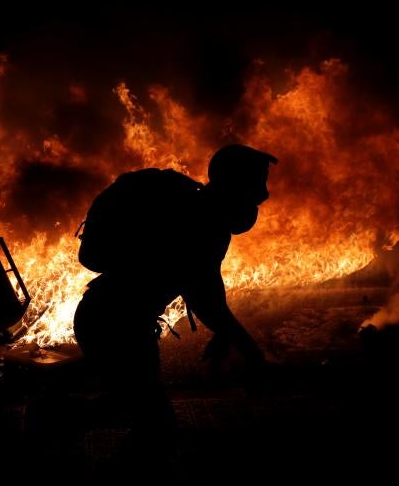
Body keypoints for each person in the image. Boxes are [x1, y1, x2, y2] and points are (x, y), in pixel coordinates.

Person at [73, 143, 277, 457]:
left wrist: (226, 334)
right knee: (152, 419)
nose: (263, 194)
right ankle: (52, 419)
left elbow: (208, 289)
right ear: (234, 184)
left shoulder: (201, 215)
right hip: (113, 324)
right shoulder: (199, 221)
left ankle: (55, 418)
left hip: (114, 321)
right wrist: (252, 354)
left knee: (137, 407)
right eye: (256, 183)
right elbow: (205, 298)